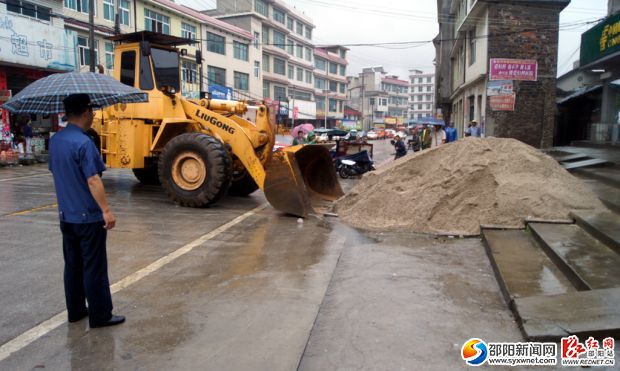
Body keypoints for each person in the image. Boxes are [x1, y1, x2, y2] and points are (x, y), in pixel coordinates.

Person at [48, 94, 125, 328]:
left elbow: (56, 171)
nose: (93, 116)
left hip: (66, 215)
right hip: (88, 217)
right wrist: (106, 210)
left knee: (72, 265)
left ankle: (76, 311)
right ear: (84, 113)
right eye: (91, 112)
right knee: (94, 266)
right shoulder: (84, 143)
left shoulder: (56, 141)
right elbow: (93, 180)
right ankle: (100, 315)